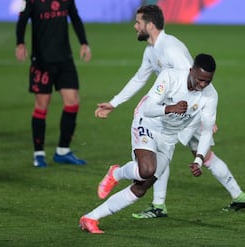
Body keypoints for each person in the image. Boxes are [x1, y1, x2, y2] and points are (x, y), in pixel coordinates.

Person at [95, 4, 245, 217]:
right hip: (175, 112)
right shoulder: (151, 51)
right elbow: (139, 78)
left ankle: (237, 194)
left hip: (188, 112)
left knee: (200, 154)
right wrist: (114, 102)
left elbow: (195, 80)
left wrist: (206, 117)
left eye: (138, 22)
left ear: (149, 25)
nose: (135, 26)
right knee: (168, 151)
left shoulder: (171, 49)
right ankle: (161, 204)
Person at [80, 54, 221, 234]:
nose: (202, 85)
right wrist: (170, 108)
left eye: (207, 81)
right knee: (147, 169)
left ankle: (90, 218)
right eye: (200, 79)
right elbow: (148, 108)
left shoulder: (210, 96)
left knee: (140, 188)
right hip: (147, 123)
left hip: (169, 139)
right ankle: (116, 173)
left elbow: (207, 130)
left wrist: (199, 160)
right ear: (191, 70)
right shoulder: (170, 77)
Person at [15, 0, 92, 168]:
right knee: (42, 105)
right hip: (42, 61)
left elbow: (75, 18)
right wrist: (20, 43)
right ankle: (38, 153)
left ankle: (62, 150)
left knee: (73, 101)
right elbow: (21, 23)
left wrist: (84, 43)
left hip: (65, 59)